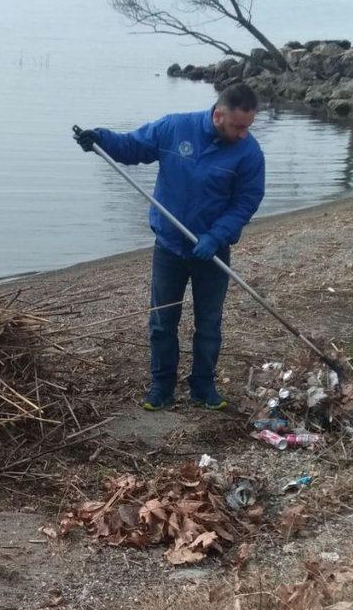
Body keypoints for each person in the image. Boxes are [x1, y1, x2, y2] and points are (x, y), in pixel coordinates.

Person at [74, 82, 265, 411]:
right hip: (169, 248)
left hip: (211, 250)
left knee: (209, 321)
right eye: (238, 126)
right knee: (162, 321)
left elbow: (246, 202)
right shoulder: (176, 128)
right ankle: (161, 386)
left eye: (248, 126)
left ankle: (203, 387)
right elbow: (134, 147)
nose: (244, 133)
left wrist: (217, 236)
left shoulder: (248, 153)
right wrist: (100, 139)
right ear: (219, 115)